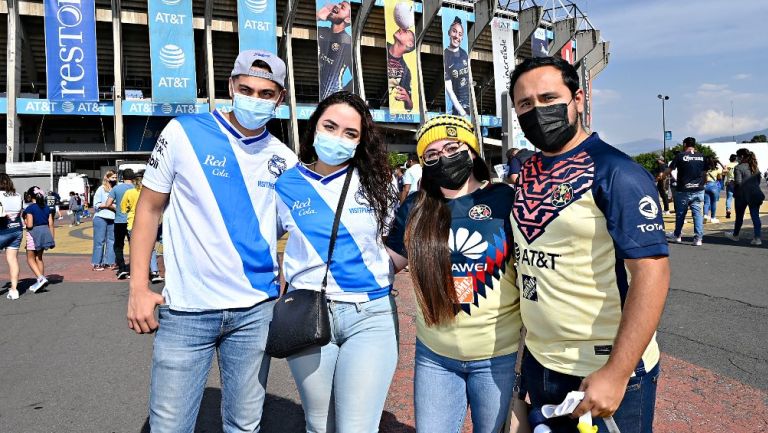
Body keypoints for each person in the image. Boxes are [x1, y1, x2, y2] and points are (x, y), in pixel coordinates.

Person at [126, 50, 297, 433]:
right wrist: (138, 286)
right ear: (231, 87)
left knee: (244, 425)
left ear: (280, 99)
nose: (255, 98)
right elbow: (149, 210)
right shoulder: (182, 133)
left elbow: (293, 228)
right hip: (187, 311)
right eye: (247, 88)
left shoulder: (284, 159)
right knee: (169, 427)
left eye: (266, 93)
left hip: (256, 312)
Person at [509, 56, 670, 433]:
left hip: (602, 373)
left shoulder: (618, 172)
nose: (538, 111)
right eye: (526, 104)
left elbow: (652, 274)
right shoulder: (527, 173)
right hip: (541, 365)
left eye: (549, 98)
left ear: (578, 99)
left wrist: (616, 372)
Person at [386, 115, 524, 433]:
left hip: (498, 357)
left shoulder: (506, 199)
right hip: (435, 357)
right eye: (431, 155)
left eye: (452, 147)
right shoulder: (415, 207)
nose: (443, 158)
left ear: (472, 151)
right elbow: (390, 262)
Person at [276, 91, 398, 432]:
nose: (338, 138)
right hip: (308, 314)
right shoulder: (285, 185)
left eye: (350, 133)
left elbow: (393, 242)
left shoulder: (378, 183)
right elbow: (259, 244)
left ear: (361, 141)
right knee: (319, 425)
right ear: (314, 127)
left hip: (370, 316)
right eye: (330, 126)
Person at [121, 172, 163, 283]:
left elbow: (123, 208)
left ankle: (138, 274)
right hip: (149, 223)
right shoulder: (151, 193)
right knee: (151, 249)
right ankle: (154, 272)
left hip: (132, 223)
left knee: (136, 250)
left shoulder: (129, 192)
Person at [665, 137, 706, 245]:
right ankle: (698, 238)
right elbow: (704, 172)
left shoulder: (680, 156)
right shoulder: (702, 156)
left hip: (683, 189)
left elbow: (670, 169)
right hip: (698, 189)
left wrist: (661, 176)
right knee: (697, 214)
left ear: (684, 144)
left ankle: (677, 235)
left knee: (681, 214)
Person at [725, 149, 764, 246]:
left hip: (742, 195)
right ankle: (757, 238)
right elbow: (758, 181)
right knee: (755, 216)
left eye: (738, 156)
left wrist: (731, 183)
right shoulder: (755, 167)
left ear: (741, 157)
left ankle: (735, 235)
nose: (737, 158)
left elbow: (738, 182)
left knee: (739, 217)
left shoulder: (738, 167)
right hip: (755, 194)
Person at [316, 1, 353, 99]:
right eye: (339, 4)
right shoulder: (321, 31)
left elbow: (357, 77)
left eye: (343, 7)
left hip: (332, 97)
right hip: (316, 93)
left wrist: (341, 94)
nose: (337, 6)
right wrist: (319, 16)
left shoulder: (347, 42)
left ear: (348, 19)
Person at [23, 187, 56, 293]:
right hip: (45, 232)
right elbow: (51, 224)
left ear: (30, 196)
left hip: (34, 234)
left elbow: (30, 225)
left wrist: (25, 222)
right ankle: (41, 279)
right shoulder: (46, 208)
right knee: (39, 258)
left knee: (30, 258)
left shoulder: (30, 208)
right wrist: (51, 238)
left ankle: (41, 279)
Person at [105, 169, 136, 279]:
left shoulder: (116, 188)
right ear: (133, 178)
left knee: (118, 245)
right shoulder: (137, 189)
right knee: (135, 246)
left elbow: (108, 203)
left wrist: (116, 209)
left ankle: (122, 269)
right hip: (133, 221)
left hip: (119, 221)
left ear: (122, 177)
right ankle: (135, 269)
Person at [0, 175, 25, 300]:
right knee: (13, 260)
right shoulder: (18, 196)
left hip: (2, 230)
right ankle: (14, 290)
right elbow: (21, 212)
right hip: (16, 230)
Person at [443, 17, 470, 116]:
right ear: (449, 32)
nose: (456, 36)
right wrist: (462, 112)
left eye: (460, 34)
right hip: (458, 109)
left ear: (462, 38)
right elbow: (449, 89)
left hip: (469, 106)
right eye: (454, 32)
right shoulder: (446, 56)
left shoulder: (464, 53)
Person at [91, 171, 116, 271]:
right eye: (113, 177)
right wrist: (108, 205)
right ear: (108, 178)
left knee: (111, 241)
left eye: (116, 178)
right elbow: (96, 204)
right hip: (101, 217)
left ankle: (110, 262)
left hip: (113, 217)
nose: (115, 179)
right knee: (99, 241)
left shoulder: (115, 189)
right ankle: (97, 263)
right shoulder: (101, 189)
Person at [387, 27, 416, 111]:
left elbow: (410, 107)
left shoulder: (406, 71)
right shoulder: (382, 46)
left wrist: (407, 99)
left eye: (406, 31)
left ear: (410, 44)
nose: (401, 29)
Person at [703, 157, 724, 223]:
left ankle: (705, 215)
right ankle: (713, 218)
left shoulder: (705, 169)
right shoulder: (717, 169)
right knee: (713, 203)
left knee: (706, 203)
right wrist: (720, 162)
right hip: (714, 186)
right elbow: (725, 170)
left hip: (706, 185)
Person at [723, 154, 738, 218]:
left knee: (729, 198)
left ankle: (728, 210)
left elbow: (724, 173)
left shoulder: (727, 165)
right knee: (738, 198)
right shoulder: (738, 165)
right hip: (737, 182)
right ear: (736, 159)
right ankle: (738, 212)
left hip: (729, 182)